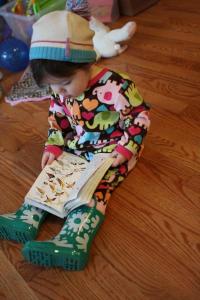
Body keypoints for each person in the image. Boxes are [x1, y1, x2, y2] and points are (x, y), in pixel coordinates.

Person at [0, 11, 150, 271]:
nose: (59, 93)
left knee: (91, 188)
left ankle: (74, 240)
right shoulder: (60, 91)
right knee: (54, 174)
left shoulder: (117, 87)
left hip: (113, 151)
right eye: (52, 87)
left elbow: (140, 117)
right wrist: (54, 145)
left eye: (65, 83)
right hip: (78, 146)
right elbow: (58, 120)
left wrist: (127, 149)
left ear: (87, 63)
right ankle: (27, 217)